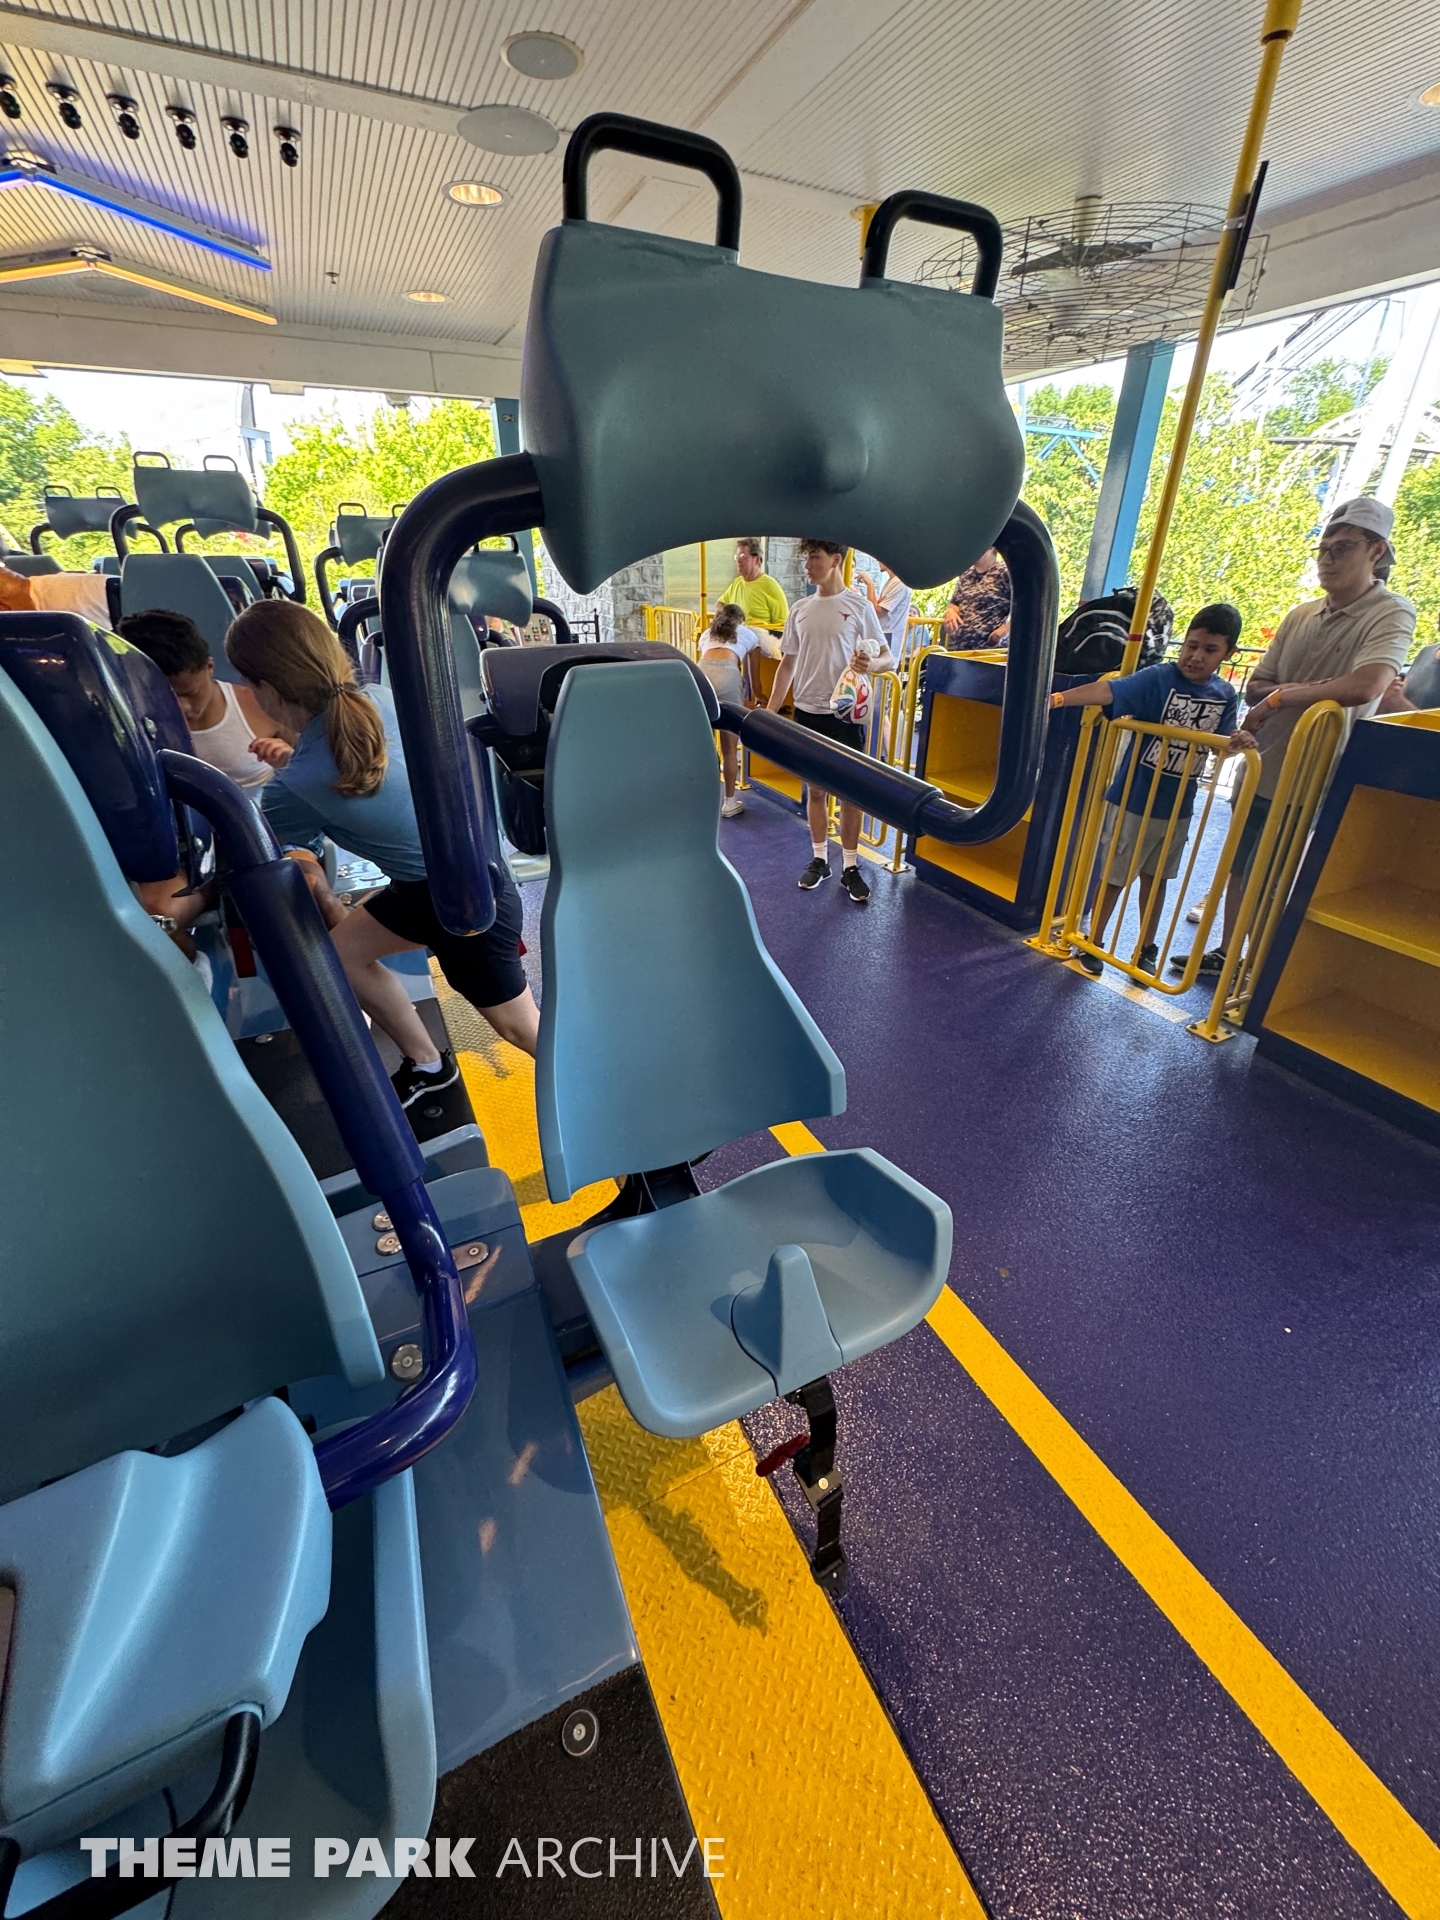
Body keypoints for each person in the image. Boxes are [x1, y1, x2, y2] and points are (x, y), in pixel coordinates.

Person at [225, 599, 539, 1106]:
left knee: (520, 1029)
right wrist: (293, 757)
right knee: (341, 955)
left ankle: (616, 1100)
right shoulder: (380, 697)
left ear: (268, 690)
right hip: (450, 877)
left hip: (465, 902)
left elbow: (281, 848)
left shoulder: (293, 787)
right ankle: (429, 1064)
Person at [1173, 496, 1417, 976]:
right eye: (1323, 549)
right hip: (1263, 765)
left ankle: (1260, 965)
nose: (1328, 559)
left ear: (1376, 551)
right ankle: (1228, 952)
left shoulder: (1391, 613)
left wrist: (1284, 696)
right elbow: (1257, 686)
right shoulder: (1300, 615)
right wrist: (1295, 692)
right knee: (1240, 866)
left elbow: (1366, 685)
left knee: (1276, 876)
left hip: (1315, 777)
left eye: (1342, 548)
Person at [1053, 606, 1242, 976]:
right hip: (1134, 799)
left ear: (1228, 653)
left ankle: (1146, 946)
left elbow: (1225, 743)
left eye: (1210, 650)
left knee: (1157, 880)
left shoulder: (1225, 694)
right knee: (1114, 875)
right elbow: (1109, 691)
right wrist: (1058, 698)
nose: (1196, 656)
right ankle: (1095, 939)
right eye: (1191, 645)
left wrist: (1238, 741)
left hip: (1178, 806)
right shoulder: (1159, 678)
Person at [767, 540, 892, 903]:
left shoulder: (858, 606)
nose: (808, 565)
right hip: (807, 711)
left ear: (836, 560)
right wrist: (770, 713)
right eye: (806, 558)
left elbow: (888, 657)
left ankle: (850, 865)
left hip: (845, 714)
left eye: (815, 558)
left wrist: (872, 664)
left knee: (850, 794)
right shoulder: (800, 609)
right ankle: (820, 859)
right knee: (816, 791)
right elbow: (787, 664)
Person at [117, 609, 287, 790]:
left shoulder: (263, 706)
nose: (183, 707)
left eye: (191, 693)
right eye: (165, 696)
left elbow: (303, 774)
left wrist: (287, 760)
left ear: (209, 666)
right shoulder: (130, 719)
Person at [698, 600, 769, 817]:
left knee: (704, 746)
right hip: (728, 674)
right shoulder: (748, 634)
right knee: (729, 748)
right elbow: (755, 681)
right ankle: (729, 802)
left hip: (701, 675)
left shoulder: (706, 634)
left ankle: (701, 801)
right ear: (741, 620)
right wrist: (760, 698)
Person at [941, 548, 1010, 648]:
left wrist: (1006, 629)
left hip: (989, 650)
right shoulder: (966, 575)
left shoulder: (1004, 572)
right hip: (959, 649)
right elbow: (954, 603)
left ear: (990, 548)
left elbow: (1025, 606)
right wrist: (950, 611)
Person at [716, 538, 788, 632]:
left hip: (760, 639)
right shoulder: (737, 583)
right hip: (735, 637)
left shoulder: (770, 586)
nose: (738, 560)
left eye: (742, 556)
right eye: (736, 557)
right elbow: (720, 603)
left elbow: (782, 624)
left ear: (756, 559)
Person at [860, 564, 914, 659]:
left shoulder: (899, 583)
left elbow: (876, 612)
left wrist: (870, 585)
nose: (877, 561)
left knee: (883, 665)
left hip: (888, 635)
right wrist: (876, 602)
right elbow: (876, 607)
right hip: (884, 634)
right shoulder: (892, 581)